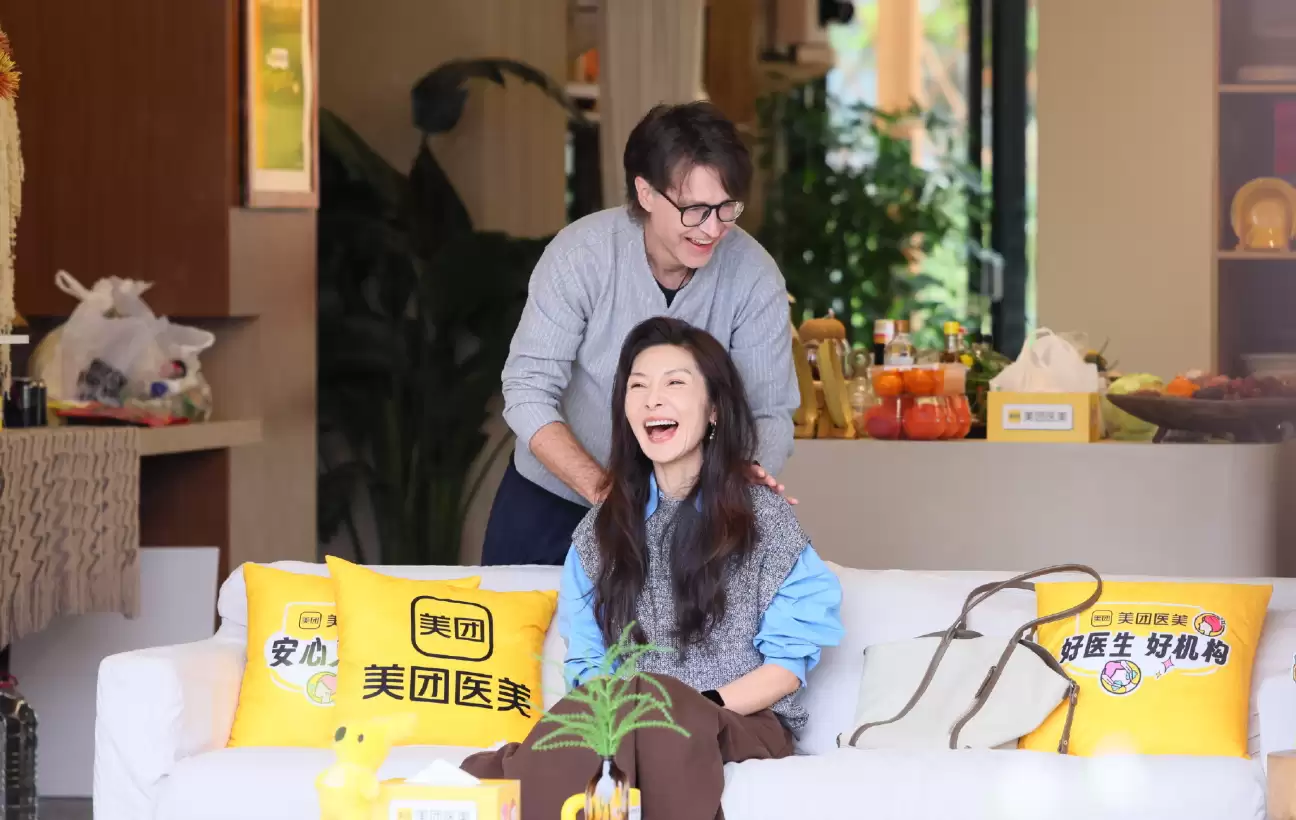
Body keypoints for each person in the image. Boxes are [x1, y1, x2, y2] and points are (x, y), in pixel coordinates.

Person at [460, 317, 843, 820]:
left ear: (713, 409)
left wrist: (688, 705)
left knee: (654, 708)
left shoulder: (765, 520)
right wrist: (632, 715)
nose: (652, 400)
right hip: (627, 722)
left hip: (741, 719)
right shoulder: (599, 534)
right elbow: (589, 667)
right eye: (637, 387)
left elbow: (784, 671)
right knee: (599, 717)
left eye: (674, 383)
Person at [482, 100, 800, 566]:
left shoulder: (754, 275)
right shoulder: (581, 255)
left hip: (687, 517)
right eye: (695, 209)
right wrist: (604, 491)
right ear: (646, 192)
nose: (713, 229)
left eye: (726, 207)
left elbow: (769, 412)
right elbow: (527, 390)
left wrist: (736, 481)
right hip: (552, 501)